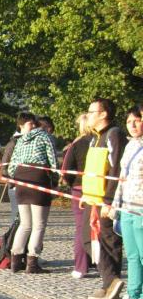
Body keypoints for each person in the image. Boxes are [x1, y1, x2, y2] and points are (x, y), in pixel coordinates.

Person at [82, 97, 126, 299]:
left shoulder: (114, 134)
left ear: (103, 114)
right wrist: (86, 194)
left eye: (92, 112)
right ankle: (109, 281)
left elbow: (115, 169)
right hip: (92, 198)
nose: (88, 115)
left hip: (106, 199)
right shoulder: (94, 138)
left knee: (109, 241)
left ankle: (111, 282)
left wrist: (109, 200)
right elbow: (91, 169)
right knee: (88, 240)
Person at [8, 113, 59, 273]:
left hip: (21, 179)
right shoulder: (45, 136)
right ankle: (32, 262)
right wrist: (55, 180)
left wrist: (16, 178)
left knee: (25, 224)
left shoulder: (20, 140)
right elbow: (53, 161)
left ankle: (15, 260)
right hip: (38, 178)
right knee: (39, 225)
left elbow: (11, 166)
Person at [106, 105, 143, 299]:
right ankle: (133, 295)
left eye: (137, 120)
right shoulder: (130, 146)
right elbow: (122, 179)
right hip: (127, 207)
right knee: (132, 255)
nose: (133, 125)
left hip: (141, 208)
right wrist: (115, 205)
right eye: (129, 121)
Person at [61, 113, 94, 278]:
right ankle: (99, 262)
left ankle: (81, 266)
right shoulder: (102, 141)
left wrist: (72, 183)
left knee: (81, 227)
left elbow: (65, 170)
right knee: (100, 228)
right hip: (100, 188)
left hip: (80, 188)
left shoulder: (76, 144)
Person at [1, 125, 23, 224]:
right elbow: (4, 166)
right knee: (16, 214)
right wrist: (12, 180)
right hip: (15, 183)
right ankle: (12, 233)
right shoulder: (13, 143)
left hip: (23, 183)